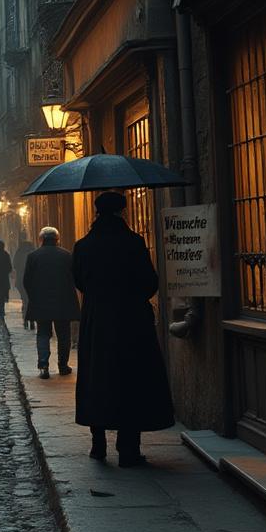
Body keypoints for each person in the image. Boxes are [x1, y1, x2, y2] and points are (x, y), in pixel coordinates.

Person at [73, 191, 175, 467]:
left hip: (97, 322)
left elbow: (79, 281)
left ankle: (98, 445)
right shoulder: (133, 242)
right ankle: (128, 450)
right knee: (131, 382)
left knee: (98, 378)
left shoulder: (83, 246)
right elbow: (149, 281)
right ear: (122, 211)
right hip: (131, 323)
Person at [23, 227, 80, 379]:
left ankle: (43, 365)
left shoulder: (33, 256)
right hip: (63, 302)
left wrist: (33, 297)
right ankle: (63, 365)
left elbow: (26, 281)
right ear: (57, 239)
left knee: (43, 333)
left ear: (41, 239)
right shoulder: (66, 255)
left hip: (41, 302)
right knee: (63, 335)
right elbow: (75, 278)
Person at [12, 236, 36, 330]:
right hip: (33, 281)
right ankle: (32, 320)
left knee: (25, 301)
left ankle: (26, 319)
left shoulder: (19, 253)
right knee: (32, 301)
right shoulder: (34, 253)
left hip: (21, 280)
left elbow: (14, 265)